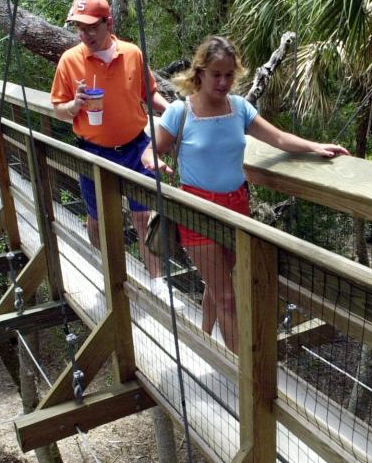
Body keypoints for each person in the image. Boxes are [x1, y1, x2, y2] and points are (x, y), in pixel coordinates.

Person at [143, 36, 348, 351]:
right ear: (200, 73)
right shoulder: (180, 113)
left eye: (229, 74)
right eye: (216, 74)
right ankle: (239, 374)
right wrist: (155, 161)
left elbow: (277, 138)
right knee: (227, 296)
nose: (223, 82)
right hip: (197, 209)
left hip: (237, 205)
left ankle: (204, 340)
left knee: (219, 284)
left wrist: (314, 147)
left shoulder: (238, 109)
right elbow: (150, 151)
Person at [50, 0, 172, 299]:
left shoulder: (132, 54)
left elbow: (150, 94)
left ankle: (157, 282)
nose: (85, 34)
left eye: (91, 27)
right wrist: (75, 105)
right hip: (94, 152)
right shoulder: (70, 61)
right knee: (98, 220)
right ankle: (108, 272)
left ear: (108, 23)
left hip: (137, 148)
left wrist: (174, 114)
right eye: (79, 28)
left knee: (145, 216)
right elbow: (58, 109)